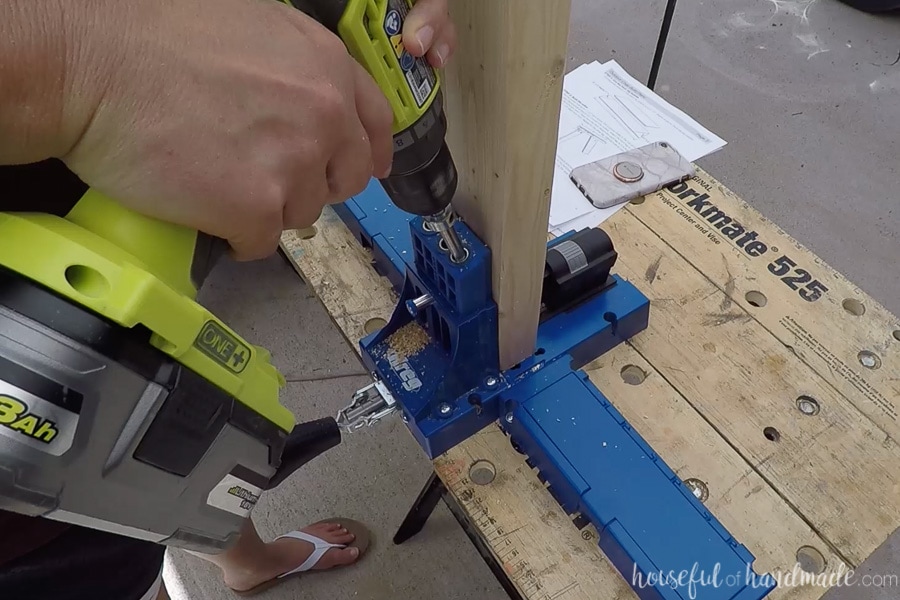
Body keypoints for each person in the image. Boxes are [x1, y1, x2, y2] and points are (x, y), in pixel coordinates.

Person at [0, 0, 457, 598]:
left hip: (89, 223)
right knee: (112, 533)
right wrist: (82, 60)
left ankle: (244, 560)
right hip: (34, 487)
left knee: (186, 417)